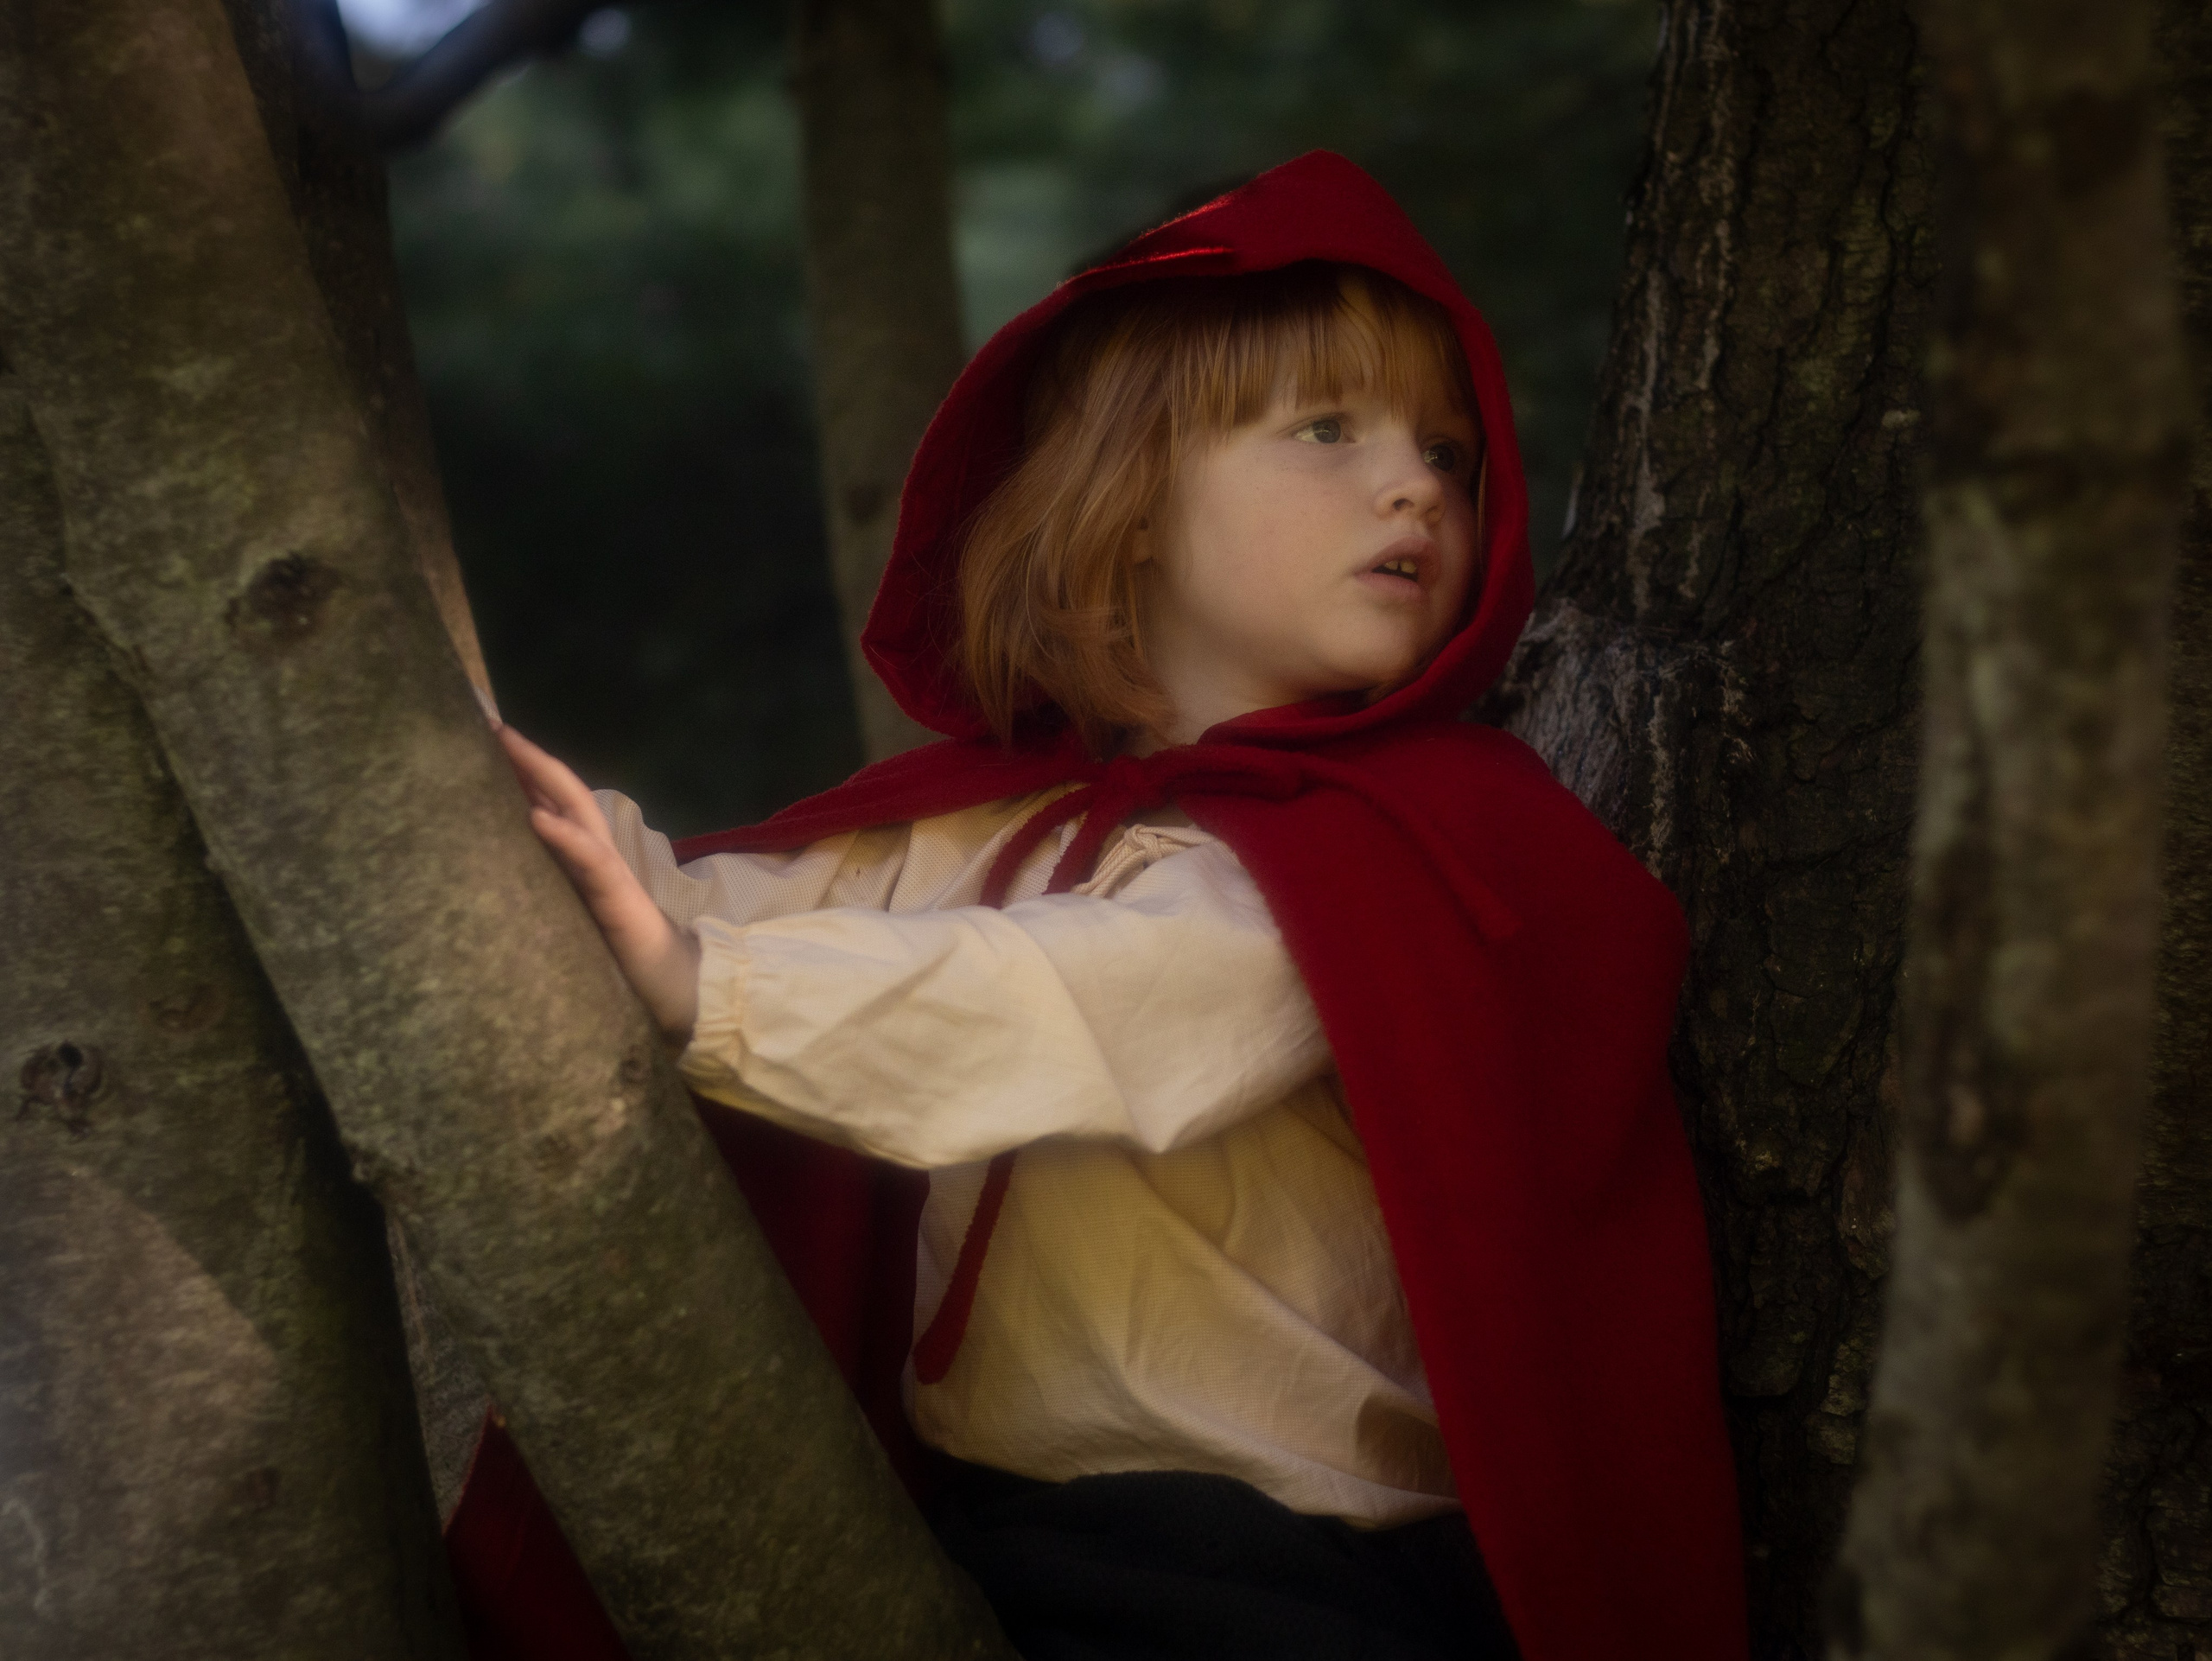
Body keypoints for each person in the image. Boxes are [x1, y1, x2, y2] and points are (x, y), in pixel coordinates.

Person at [450, 152, 1747, 1661]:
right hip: (1008, 1538)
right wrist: (489, 792)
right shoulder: (990, 829)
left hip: (1297, 1579)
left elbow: (1084, 1006)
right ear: (1131, 507)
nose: (1412, 482)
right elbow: (708, 900)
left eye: (1448, 452)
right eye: (1326, 429)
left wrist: (709, 993)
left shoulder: (1372, 856)